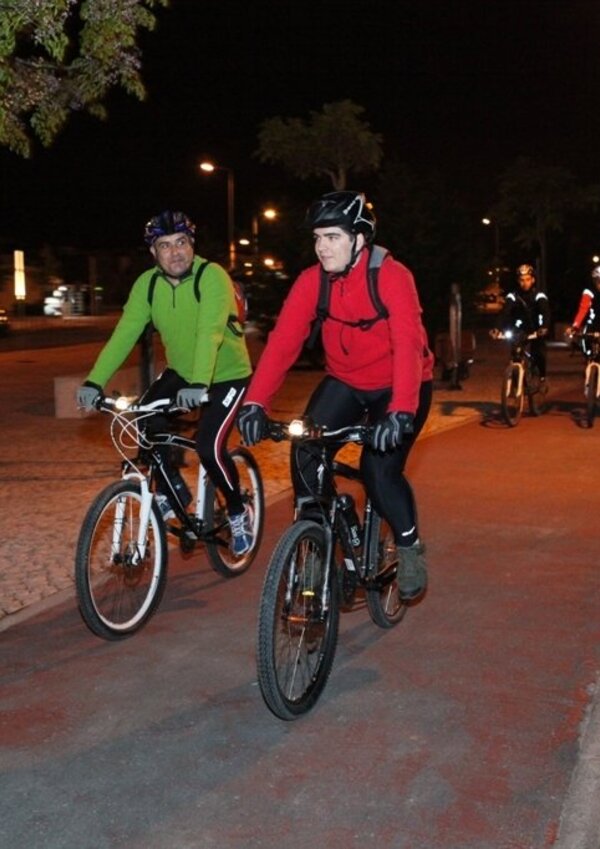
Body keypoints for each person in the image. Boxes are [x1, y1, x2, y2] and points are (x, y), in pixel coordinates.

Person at [236, 190, 434, 601]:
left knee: (378, 470)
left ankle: (410, 546)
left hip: (400, 386)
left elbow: (408, 344)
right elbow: (282, 342)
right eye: (317, 238)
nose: (321, 247)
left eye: (332, 237)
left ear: (358, 239)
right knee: (305, 452)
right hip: (345, 381)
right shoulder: (313, 281)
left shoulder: (393, 276)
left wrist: (400, 411)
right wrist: (255, 402)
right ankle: (315, 548)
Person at [77, 210, 254, 556]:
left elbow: (210, 332)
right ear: (153, 252)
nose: (176, 252)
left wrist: (200, 383)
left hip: (227, 375)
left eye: (181, 242)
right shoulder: (148, 285)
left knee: (208, 447)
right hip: (183, 373)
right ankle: (175, 491)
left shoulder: (212, 276)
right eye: (165, 245)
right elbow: (124, 334)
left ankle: (237, 512)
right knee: (145, 420)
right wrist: (94, 381)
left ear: (192, 244)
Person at [491, 263, 550, 383]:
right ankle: (515, 379)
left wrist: (544, 327)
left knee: (539, 352)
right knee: (515, 352)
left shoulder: (539, 295)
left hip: (535, 330)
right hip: (519, 329)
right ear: (518, 281)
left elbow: (545, 312)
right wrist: (497, 328)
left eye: (528, 279)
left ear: (533, 280)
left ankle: (542, 377)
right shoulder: (513, 296)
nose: (525, 283)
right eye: (522, 280)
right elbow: (504, 313)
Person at [566, 265, 600, 355]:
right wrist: (575, 327)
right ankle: (590, 359)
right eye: (598, 281)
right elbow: (583, 310)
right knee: (587, 347)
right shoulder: (589, 292)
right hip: (593, 325)